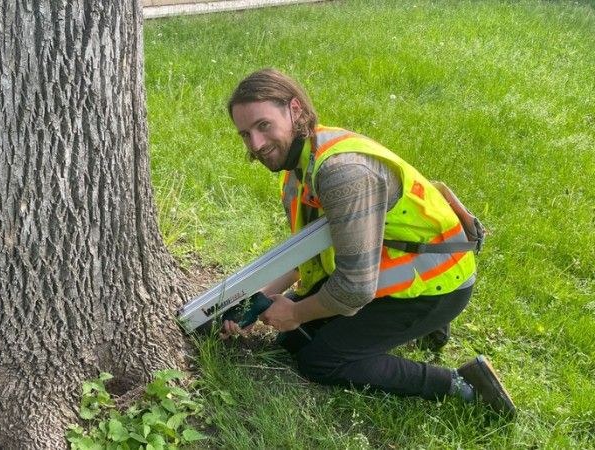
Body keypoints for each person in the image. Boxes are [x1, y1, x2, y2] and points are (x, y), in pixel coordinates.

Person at [221, 68, 515, 415]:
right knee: (292, 339)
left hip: (437, 283)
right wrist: (258, 300)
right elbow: (309, 255)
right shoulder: (300, 165)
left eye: (263, 125)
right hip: (383, 268)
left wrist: (296, 311)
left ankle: (462, 385)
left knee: (320, 360)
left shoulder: (341, 173)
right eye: (245, 134)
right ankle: (421, 330)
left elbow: (354, 290)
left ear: (294, 110)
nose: (255, 145)